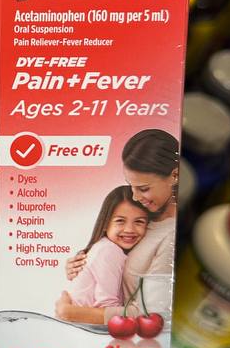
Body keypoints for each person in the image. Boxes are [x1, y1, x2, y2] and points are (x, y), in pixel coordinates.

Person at [56, 129, 179, 325]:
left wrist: (71, 312)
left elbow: (153, 315)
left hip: (121, 333)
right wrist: (84, 266)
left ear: (175, 175)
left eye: (143, 188)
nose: (136, 197)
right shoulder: (146, 215)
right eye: (131, 186)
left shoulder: (171, 235)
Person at [57, 186, 149, 323]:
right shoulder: (109, 251)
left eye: (139, 221)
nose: (129, 229)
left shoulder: (106, 248)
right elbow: (107, 305)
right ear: (105, 224)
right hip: (84, 326)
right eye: (120, 221)